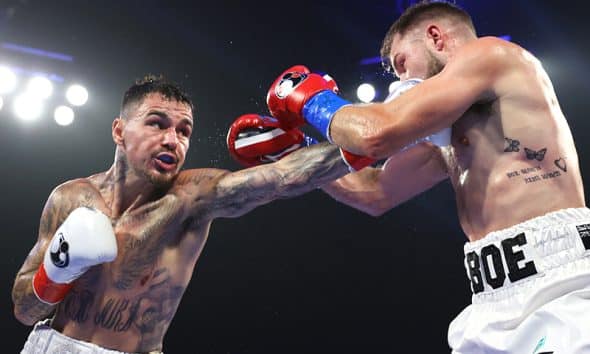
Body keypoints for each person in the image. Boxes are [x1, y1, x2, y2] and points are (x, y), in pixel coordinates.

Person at [259, 1, 590, 352]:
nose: (403, 79)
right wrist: (295, 150)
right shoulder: (447, 129)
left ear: (436, 37)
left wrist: (310, 100)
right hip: (491, 300)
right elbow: (374, 192)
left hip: (560, 284)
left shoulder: (491, 54)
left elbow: (377, 131)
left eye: (402, 63)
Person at [11, 74, 360, 354]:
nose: (172, 140)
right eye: (156, 124)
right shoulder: (69, 197)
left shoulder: (191, 199)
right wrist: (57, 272)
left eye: (183, 131)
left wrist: (380, 133)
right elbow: (24, 311)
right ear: (119, 131)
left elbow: (281, 178)